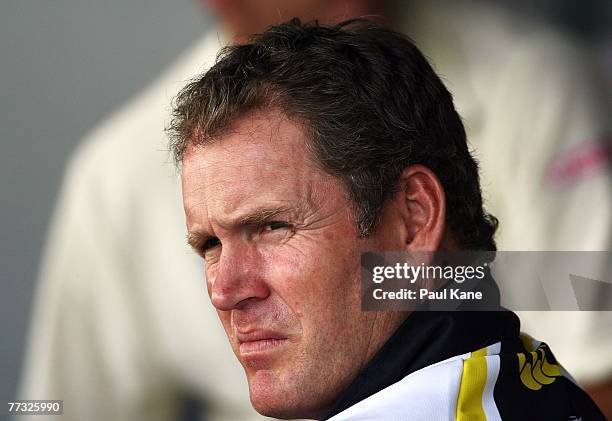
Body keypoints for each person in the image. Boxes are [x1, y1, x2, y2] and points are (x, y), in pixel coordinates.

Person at [20, 0, 612, 419]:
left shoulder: (531, 76)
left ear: (414, 214)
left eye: (273, 226)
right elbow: (62, 408)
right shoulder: (115, 175)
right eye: (207, 246)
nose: (225, 290)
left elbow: (581, 329)